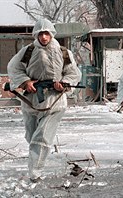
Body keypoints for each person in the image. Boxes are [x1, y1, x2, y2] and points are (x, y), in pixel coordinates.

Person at [7, 19, 81, 182]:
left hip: (54, 101)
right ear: (36, 35)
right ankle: (36, 163)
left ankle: (35, 173)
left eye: (47, 33)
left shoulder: (63, 52)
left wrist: (64, 84)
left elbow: (73, 74)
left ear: (52, 34)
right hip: (32, 99)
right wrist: (26, 81)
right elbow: (14, 68)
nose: (44, 37)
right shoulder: (28, 51)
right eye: (41, 34)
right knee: (31, 136)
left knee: (42, 138)